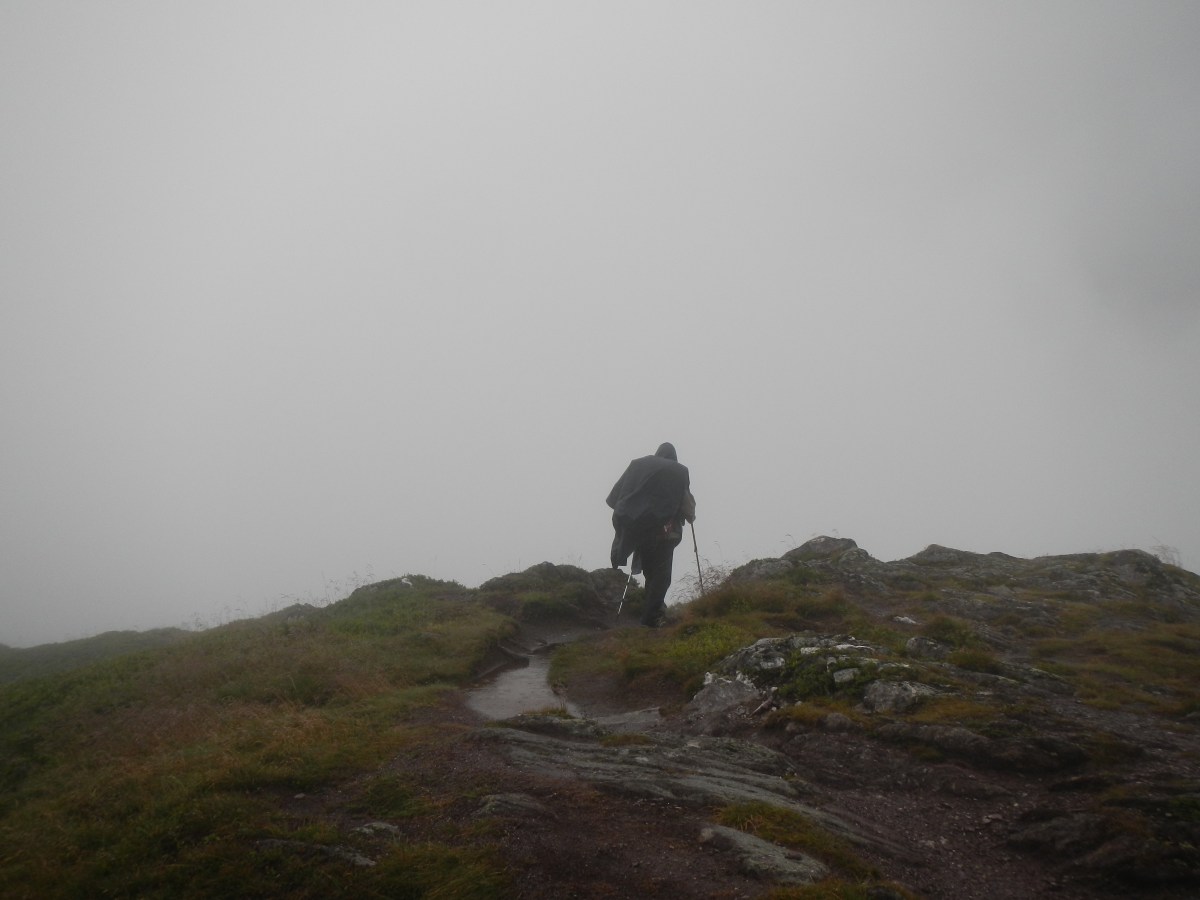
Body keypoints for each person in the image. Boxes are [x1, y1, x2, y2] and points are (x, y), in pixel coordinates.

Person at [606, 442, 696, 626]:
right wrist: (690, 516)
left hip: (641, 533)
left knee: (650, 572)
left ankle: (653, 609)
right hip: (666, 534)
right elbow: (688, 507)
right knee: (662, 576)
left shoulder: (639, 468)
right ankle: (651, 617)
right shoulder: (677, 473)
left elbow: (616, 497)